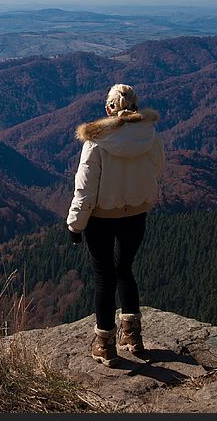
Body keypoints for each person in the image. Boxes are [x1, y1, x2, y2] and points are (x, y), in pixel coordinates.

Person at [66, 84, 164, 366]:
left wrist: (75, 226)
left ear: (108, 108)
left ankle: (105, 344)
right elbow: (156, 169)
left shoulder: (96, 141)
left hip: (101, 218)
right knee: (124, 270)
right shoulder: (150, 134)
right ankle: (132, 336)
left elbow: (84, 190)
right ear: (135, 106)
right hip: (136, 213)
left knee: (104, 277)